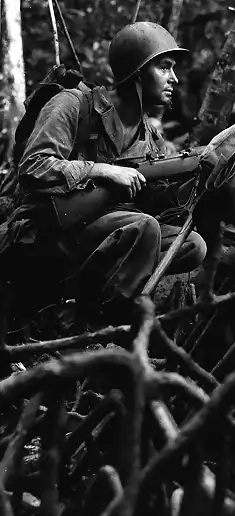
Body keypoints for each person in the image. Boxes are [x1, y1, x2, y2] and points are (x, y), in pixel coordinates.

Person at [16, 22, 207, 321]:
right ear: (139, 71)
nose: (175, 79)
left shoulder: (151, 138)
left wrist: (196, 178)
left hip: (107, 237)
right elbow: (33, 167)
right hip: (49, 231)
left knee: (192, 245)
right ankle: (98, 321)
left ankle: (101, 303)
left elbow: (156, 205)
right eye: (164, 67)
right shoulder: (73, 105)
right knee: (144, 228)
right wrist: (103, 170)